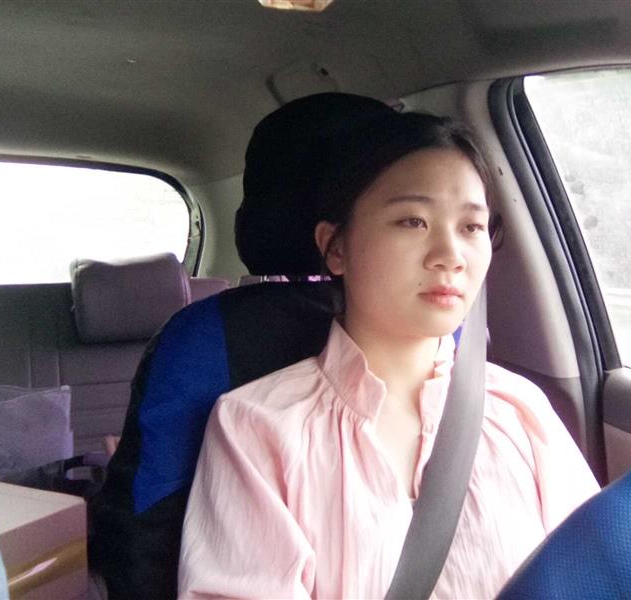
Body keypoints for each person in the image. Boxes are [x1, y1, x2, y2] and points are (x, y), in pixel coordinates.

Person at [178, 110, 599, 598]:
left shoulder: (519, 410)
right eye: (412, 221)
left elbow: (602, 574)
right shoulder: (256, 427)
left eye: (471, 226)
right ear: (335, 247)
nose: (450, 255)